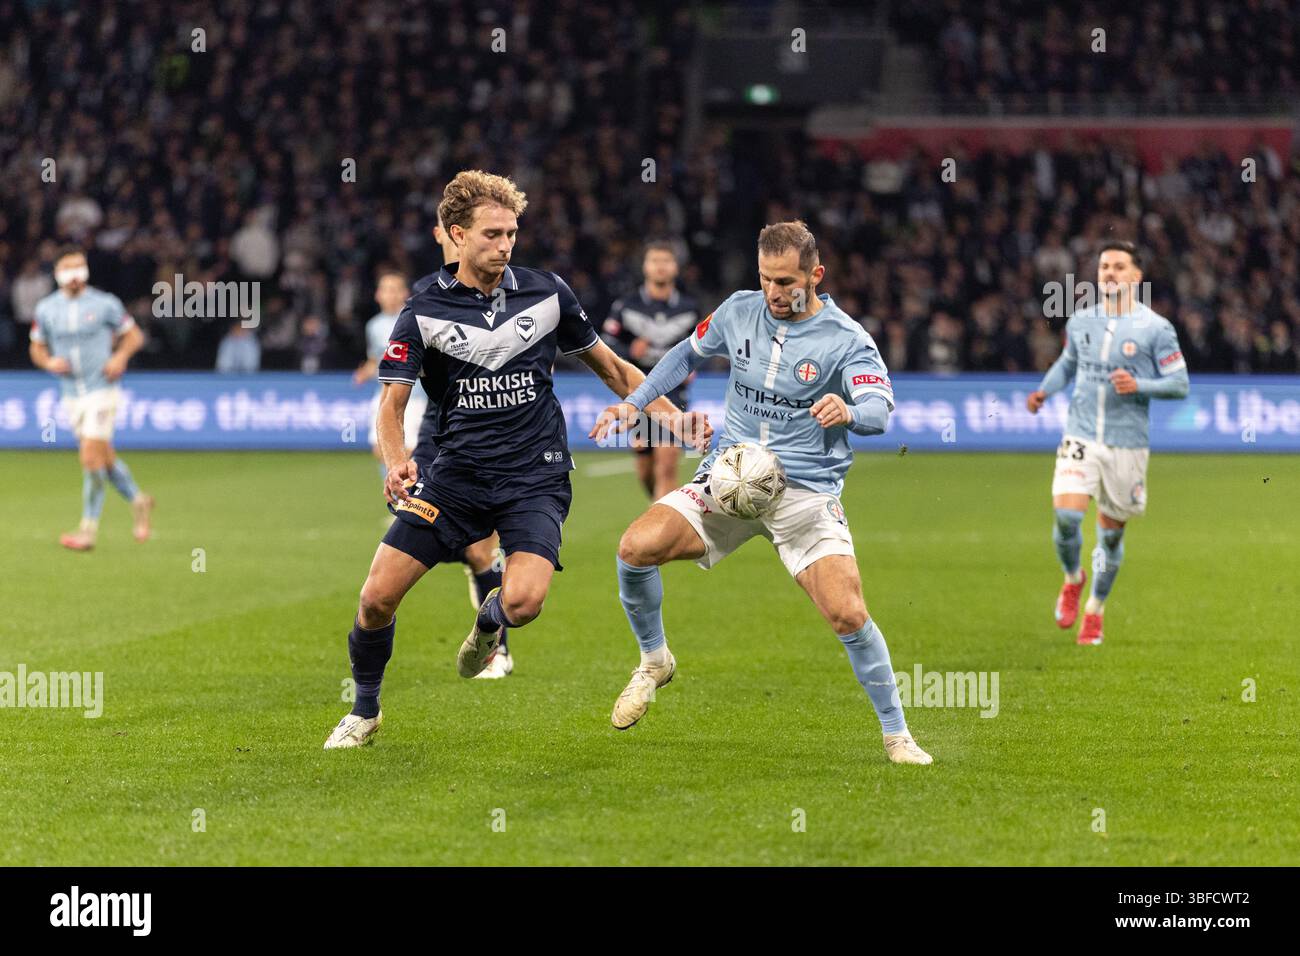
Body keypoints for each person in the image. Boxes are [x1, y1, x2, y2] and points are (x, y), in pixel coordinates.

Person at [324, 170, 708, 748]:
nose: (506, 245)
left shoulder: (548, 293)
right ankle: (366, 710)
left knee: (523, 604)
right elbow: (392, 401)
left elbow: (612, 368)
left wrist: (670, 415)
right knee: (376, 598)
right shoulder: (423, 309)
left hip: (535, 475)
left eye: (512, 233)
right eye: (492, 234)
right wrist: (399, 459)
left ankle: (489, 623)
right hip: (454, 477)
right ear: (457, 234)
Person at [591, 220, 932, 765]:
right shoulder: (738, 310)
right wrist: (638, 402)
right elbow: (684, 355)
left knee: (847, 613)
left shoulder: (846, 340)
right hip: (731, 475)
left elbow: (880, 410)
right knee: (634, 548)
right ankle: (655, 660)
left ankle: (897, 735)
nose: (774, 292)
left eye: (786, 282)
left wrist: (849, 409)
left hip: (804, 491)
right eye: (766, 279)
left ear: (815, 275)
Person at [1027, 240, 1190, 645]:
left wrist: (1140, 384)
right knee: (1066, 519)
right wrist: (1045, 391)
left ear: (1136, 276)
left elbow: (1179, 383)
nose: (1110, 274)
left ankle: (1095, 610)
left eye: (1119, 267)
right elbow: (1068, 365)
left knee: (1110, 537)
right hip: (1080, 435)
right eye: (1104, 267)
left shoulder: (1157, 329)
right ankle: (1072, 578)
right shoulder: (1081, 321)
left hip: (1126, 443)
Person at [28, 248, 154, 551]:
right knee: (104, 459)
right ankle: (139, 501)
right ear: (57, 273)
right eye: (68, 268)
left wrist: (120, 356)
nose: (74, 275)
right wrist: (48, 363)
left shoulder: (104, 303)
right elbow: (36, 347)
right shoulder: (46, 309)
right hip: (71, 394)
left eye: (79, 267)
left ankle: (88, 530)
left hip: (102, 390)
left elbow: (134, 335)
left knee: (90, 457)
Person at [602, 241, 700, 499]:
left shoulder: (689, 308)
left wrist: (694, 365)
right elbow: (606, 343)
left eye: (666, 261)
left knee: (666, 461)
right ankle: (657, 506)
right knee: (645, 467)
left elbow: (705, 344)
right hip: (639, 391)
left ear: (675, 268)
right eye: (655, 261)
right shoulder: (627, 306)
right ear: (645, 267)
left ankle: (662, 527)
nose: (660, 267)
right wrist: (629, 349)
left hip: (673, 392)